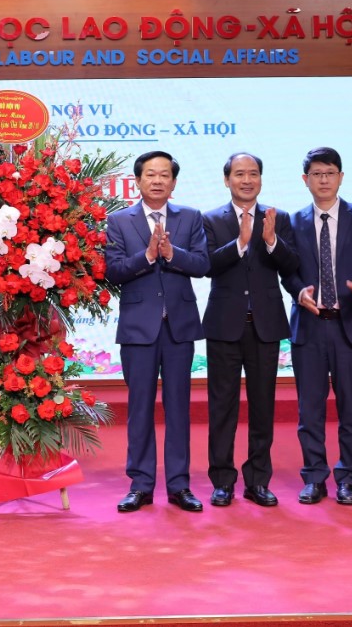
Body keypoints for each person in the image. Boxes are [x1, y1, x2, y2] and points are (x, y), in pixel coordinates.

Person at [282, 147, 352, 506]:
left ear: (341, 177)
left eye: (330, 173)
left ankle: (348, 477)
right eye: (316, 174)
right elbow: (287, 270)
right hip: (310, 326)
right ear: (306, 180)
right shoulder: (293, 221)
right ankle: (314, 476)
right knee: (309, 410)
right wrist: (298, 291)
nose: (324, 180)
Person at [104, 150, 210, 513]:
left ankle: (179, 485)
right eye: (150, 174)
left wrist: (171, 252)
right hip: (138, 329)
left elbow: (202, 264)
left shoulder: (190, 217)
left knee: (179, 408)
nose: (158, 180)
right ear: (138, 181)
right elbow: (113, 271)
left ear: (174, 182)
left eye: (165, 175)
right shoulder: (119, 221)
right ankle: (141, 485)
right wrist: (148, 256)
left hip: (179, 328)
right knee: (140, 409)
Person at [202, 152, 300, 508]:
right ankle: (222, 481)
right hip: (224, 325)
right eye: (240, 174)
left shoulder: (278, 217)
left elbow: (292, 265)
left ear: (261, 179)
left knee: (263, 406)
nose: (247, 180)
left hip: (265, 324)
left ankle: (258, 480)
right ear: (226, 179)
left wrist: (271, 241)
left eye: (253, 174)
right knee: (222, 407)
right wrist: (240, 243)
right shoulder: (210, 219)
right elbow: (206, 265)